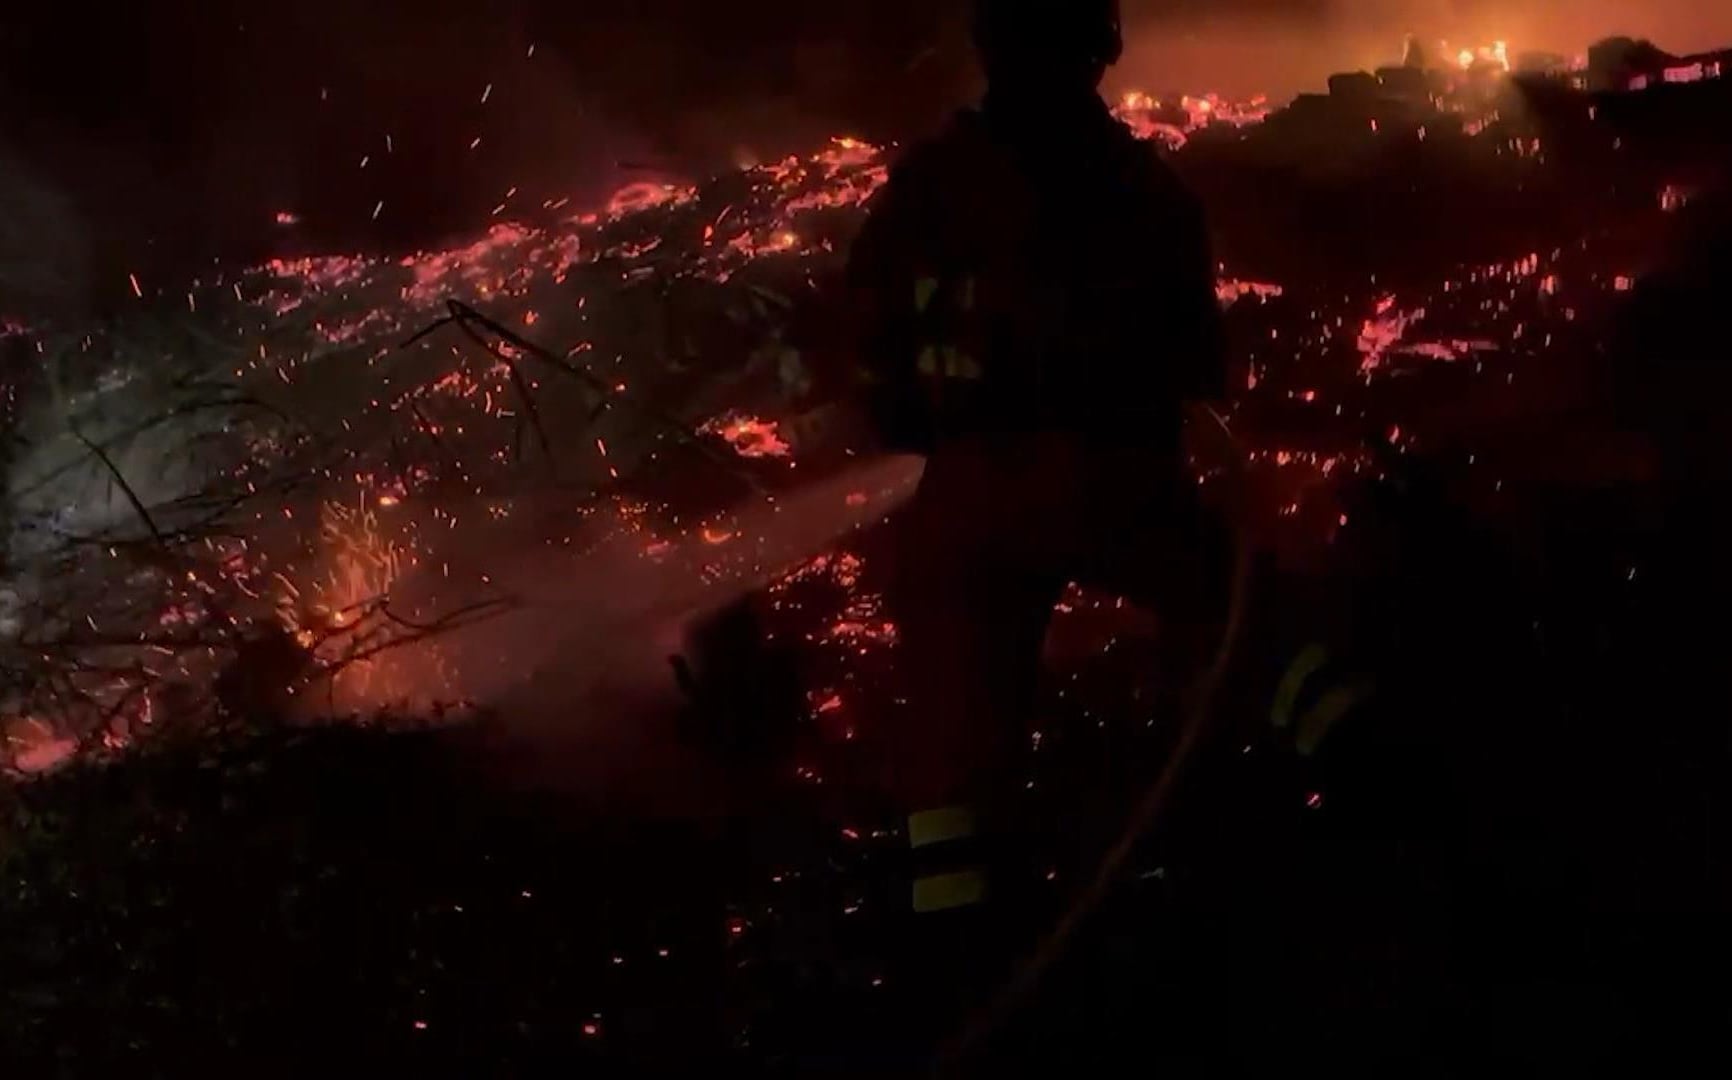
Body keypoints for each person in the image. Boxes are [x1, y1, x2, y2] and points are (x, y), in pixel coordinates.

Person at [847, 0, 1229, 916]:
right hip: (1109, 475)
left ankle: (956, 956)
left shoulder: (928, 189)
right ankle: (1235, 850)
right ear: (1099, 57)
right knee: (1239, 616)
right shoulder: (1145, 188)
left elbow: (867, 339)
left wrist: (916, 428)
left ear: (989, 50)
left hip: (969, 488)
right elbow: (1198, 365)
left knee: (953, 756)